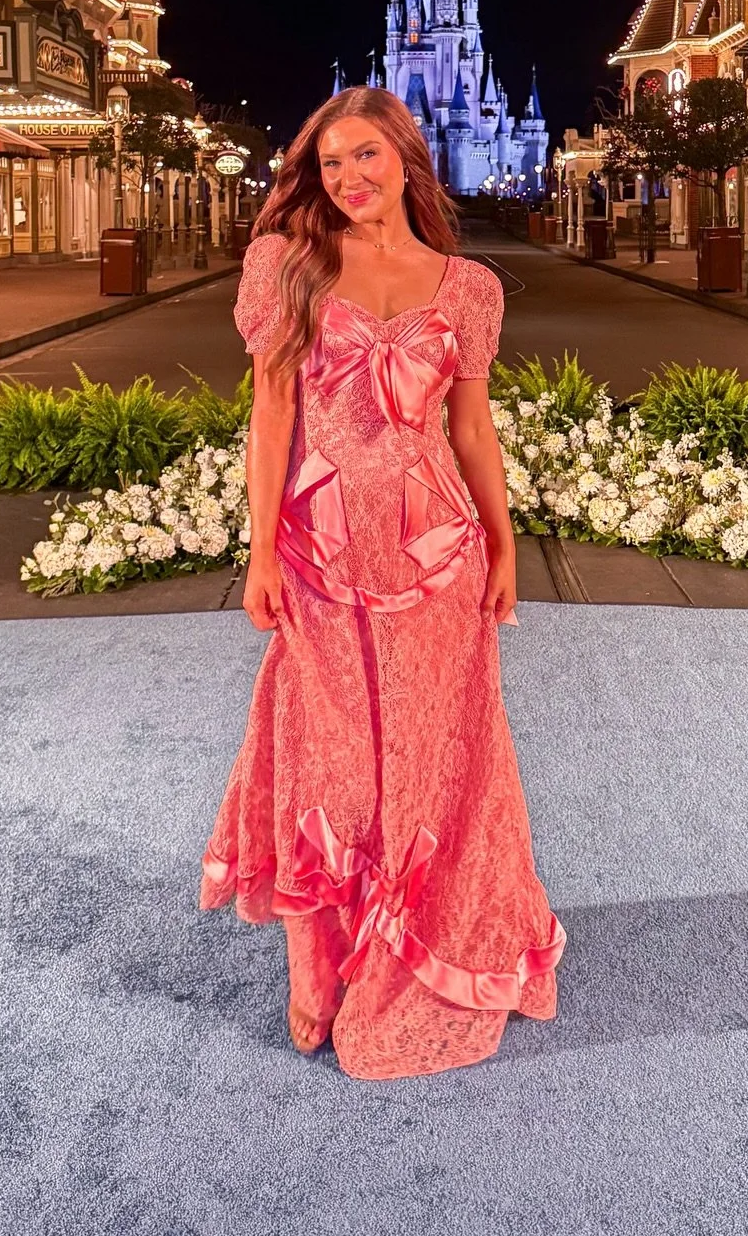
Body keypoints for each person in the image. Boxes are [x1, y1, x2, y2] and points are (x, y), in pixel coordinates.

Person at [199, 85, 566, 1080]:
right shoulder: (290, 265)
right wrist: (261, 548)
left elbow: (472, 429)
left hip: (434, 552)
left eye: (367, 156)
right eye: (330, 164)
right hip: (318, 546)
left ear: (406, 156)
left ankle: (407, 935)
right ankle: (314, 950)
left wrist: (502, 544)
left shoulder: (468, 287)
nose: (350, 178)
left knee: (426, 752)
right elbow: (272, 415)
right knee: (323, 749)